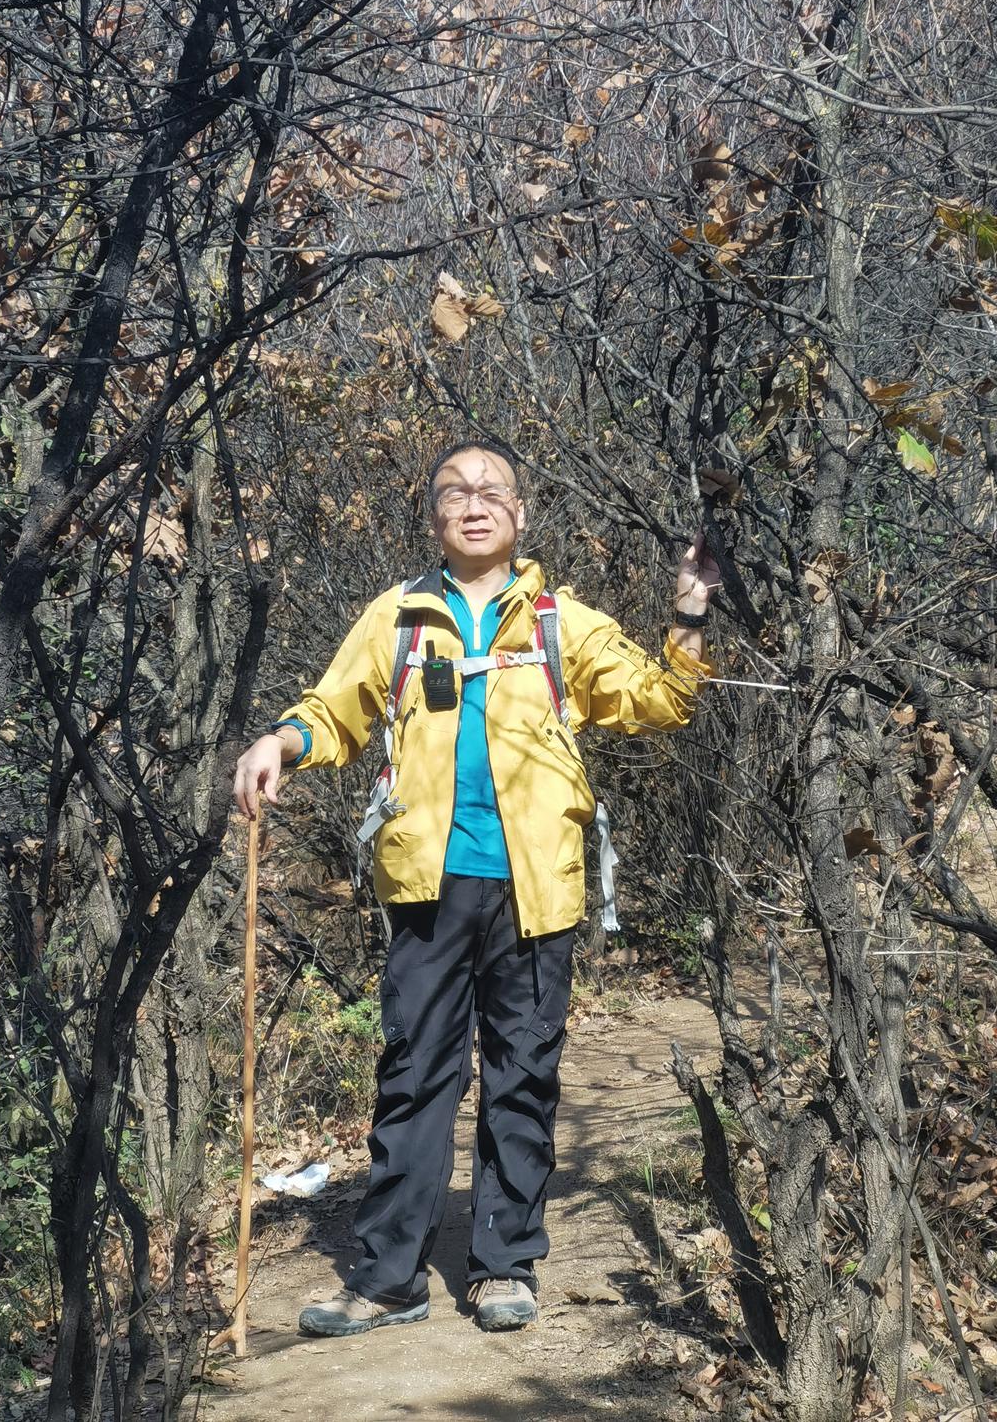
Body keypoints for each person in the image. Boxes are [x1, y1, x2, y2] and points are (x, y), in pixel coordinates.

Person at [232, 441, 720, 1335]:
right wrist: (279, 745)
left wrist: (689, 609)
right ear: (433, 517)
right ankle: (388, 1280)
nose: (474, 503)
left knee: (523, 1075)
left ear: (521, 514)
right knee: (415, 1074)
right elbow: (331, 711)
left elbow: (659, 701)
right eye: (455, 491)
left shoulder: (561, 622)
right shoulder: (399, 618)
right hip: (428, 883)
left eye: (492, 490)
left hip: (538, 887)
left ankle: (505, 1266)